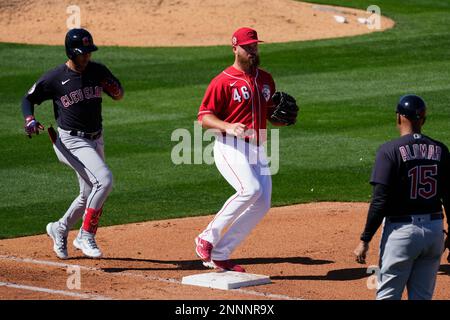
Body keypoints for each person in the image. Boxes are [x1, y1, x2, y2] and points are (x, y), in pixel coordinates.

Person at [195, 27, 298, 272]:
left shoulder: (265, 79)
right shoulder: (223, 81)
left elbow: (270, 114)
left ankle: (221, 253)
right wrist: (227, 126)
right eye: (248, 47)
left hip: (258, 146)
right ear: (235, 48)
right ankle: (206, 237)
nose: (253, 51)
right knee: (249, 189)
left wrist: (280, 120)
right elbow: (204, 118)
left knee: (262, 203)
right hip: (230, 145)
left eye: (255, 46)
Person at [21, 28, 124, 259]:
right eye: (82, 53)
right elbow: (28, 99)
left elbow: (118, 93)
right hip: (70, 141)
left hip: (96, 138)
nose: (86, 57)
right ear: (71, 52)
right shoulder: (55, 78)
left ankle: (59, 228)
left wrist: (115, 90)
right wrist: (29, 119)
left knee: (89, 192)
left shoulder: (97, 70)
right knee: (104, 181)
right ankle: (85, 235)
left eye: (88, 52)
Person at [354, 94, 450, 299]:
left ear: (399, 117)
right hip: (434, 232)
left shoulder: (389, 151)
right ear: (422, 120)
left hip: (402, 234)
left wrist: (365, 239)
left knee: (387, 294)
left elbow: (380, 200)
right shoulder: (441, 150)